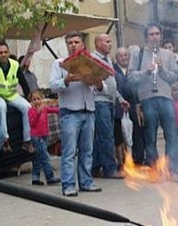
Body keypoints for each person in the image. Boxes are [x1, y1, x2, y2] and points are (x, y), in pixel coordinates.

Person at [49, 31, 102, 197]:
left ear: (83, 45)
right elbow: (52, 86)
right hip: (70, 112)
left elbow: (102, 88)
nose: (73, 45)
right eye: (70, 42)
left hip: (89, 110)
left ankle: (86, 182)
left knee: (87, 150)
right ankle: (68, 184)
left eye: (76, 42)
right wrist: (67, 80)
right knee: (69, 151)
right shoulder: (59, 63)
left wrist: (98, 83)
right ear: (67, 45)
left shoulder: (90, 62)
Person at [128, 23, 178, 182]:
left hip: (166, 97)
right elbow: (131, 77)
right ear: (146, 37)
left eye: (157, 34)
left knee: (171, 134)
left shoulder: (169, 55)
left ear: (161, 36)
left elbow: (174, 77)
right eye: (151, 34)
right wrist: (146, 71)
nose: (155, 37)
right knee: (150, 136)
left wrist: (162, 69)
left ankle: (171, 169)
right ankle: (154, 169)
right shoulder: (138, 54)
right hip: (147, 98)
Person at [91, 34, 129, 179]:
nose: (110, 44)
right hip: (100, 101)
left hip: (110, 101)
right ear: (98, 43)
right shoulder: (94, 60)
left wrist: (120, 99)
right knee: (107, 137)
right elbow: (98, 82)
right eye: (107, 41)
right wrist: (111, 95)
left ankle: (94, 167)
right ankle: (110, 169)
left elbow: (112, 83)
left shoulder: (107, 60)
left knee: (100, 137)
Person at [0, 41, 34, 154]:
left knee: (27, 107)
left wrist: (30, 98)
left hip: (11, 94)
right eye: (0, 53)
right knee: (2, 107)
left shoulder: (14, 65)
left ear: (9, 53)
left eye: (5, 52)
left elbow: (23, 82)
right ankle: (5, 140)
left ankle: (27, 141)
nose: (3, 54)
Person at [27, 90, 61, 186]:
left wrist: (60, 107)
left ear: (42, 99)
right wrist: (38, 112)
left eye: (39, 99)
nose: (37, 101)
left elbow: (54, 110)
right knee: (45, 157)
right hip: (36, 137)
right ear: (31, 101)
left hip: (44, 135)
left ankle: (35, 177)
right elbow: (32, 123)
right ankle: (50, 177)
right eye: (34, 99)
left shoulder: (45, 108)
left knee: (38, 158)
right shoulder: (31, 111)